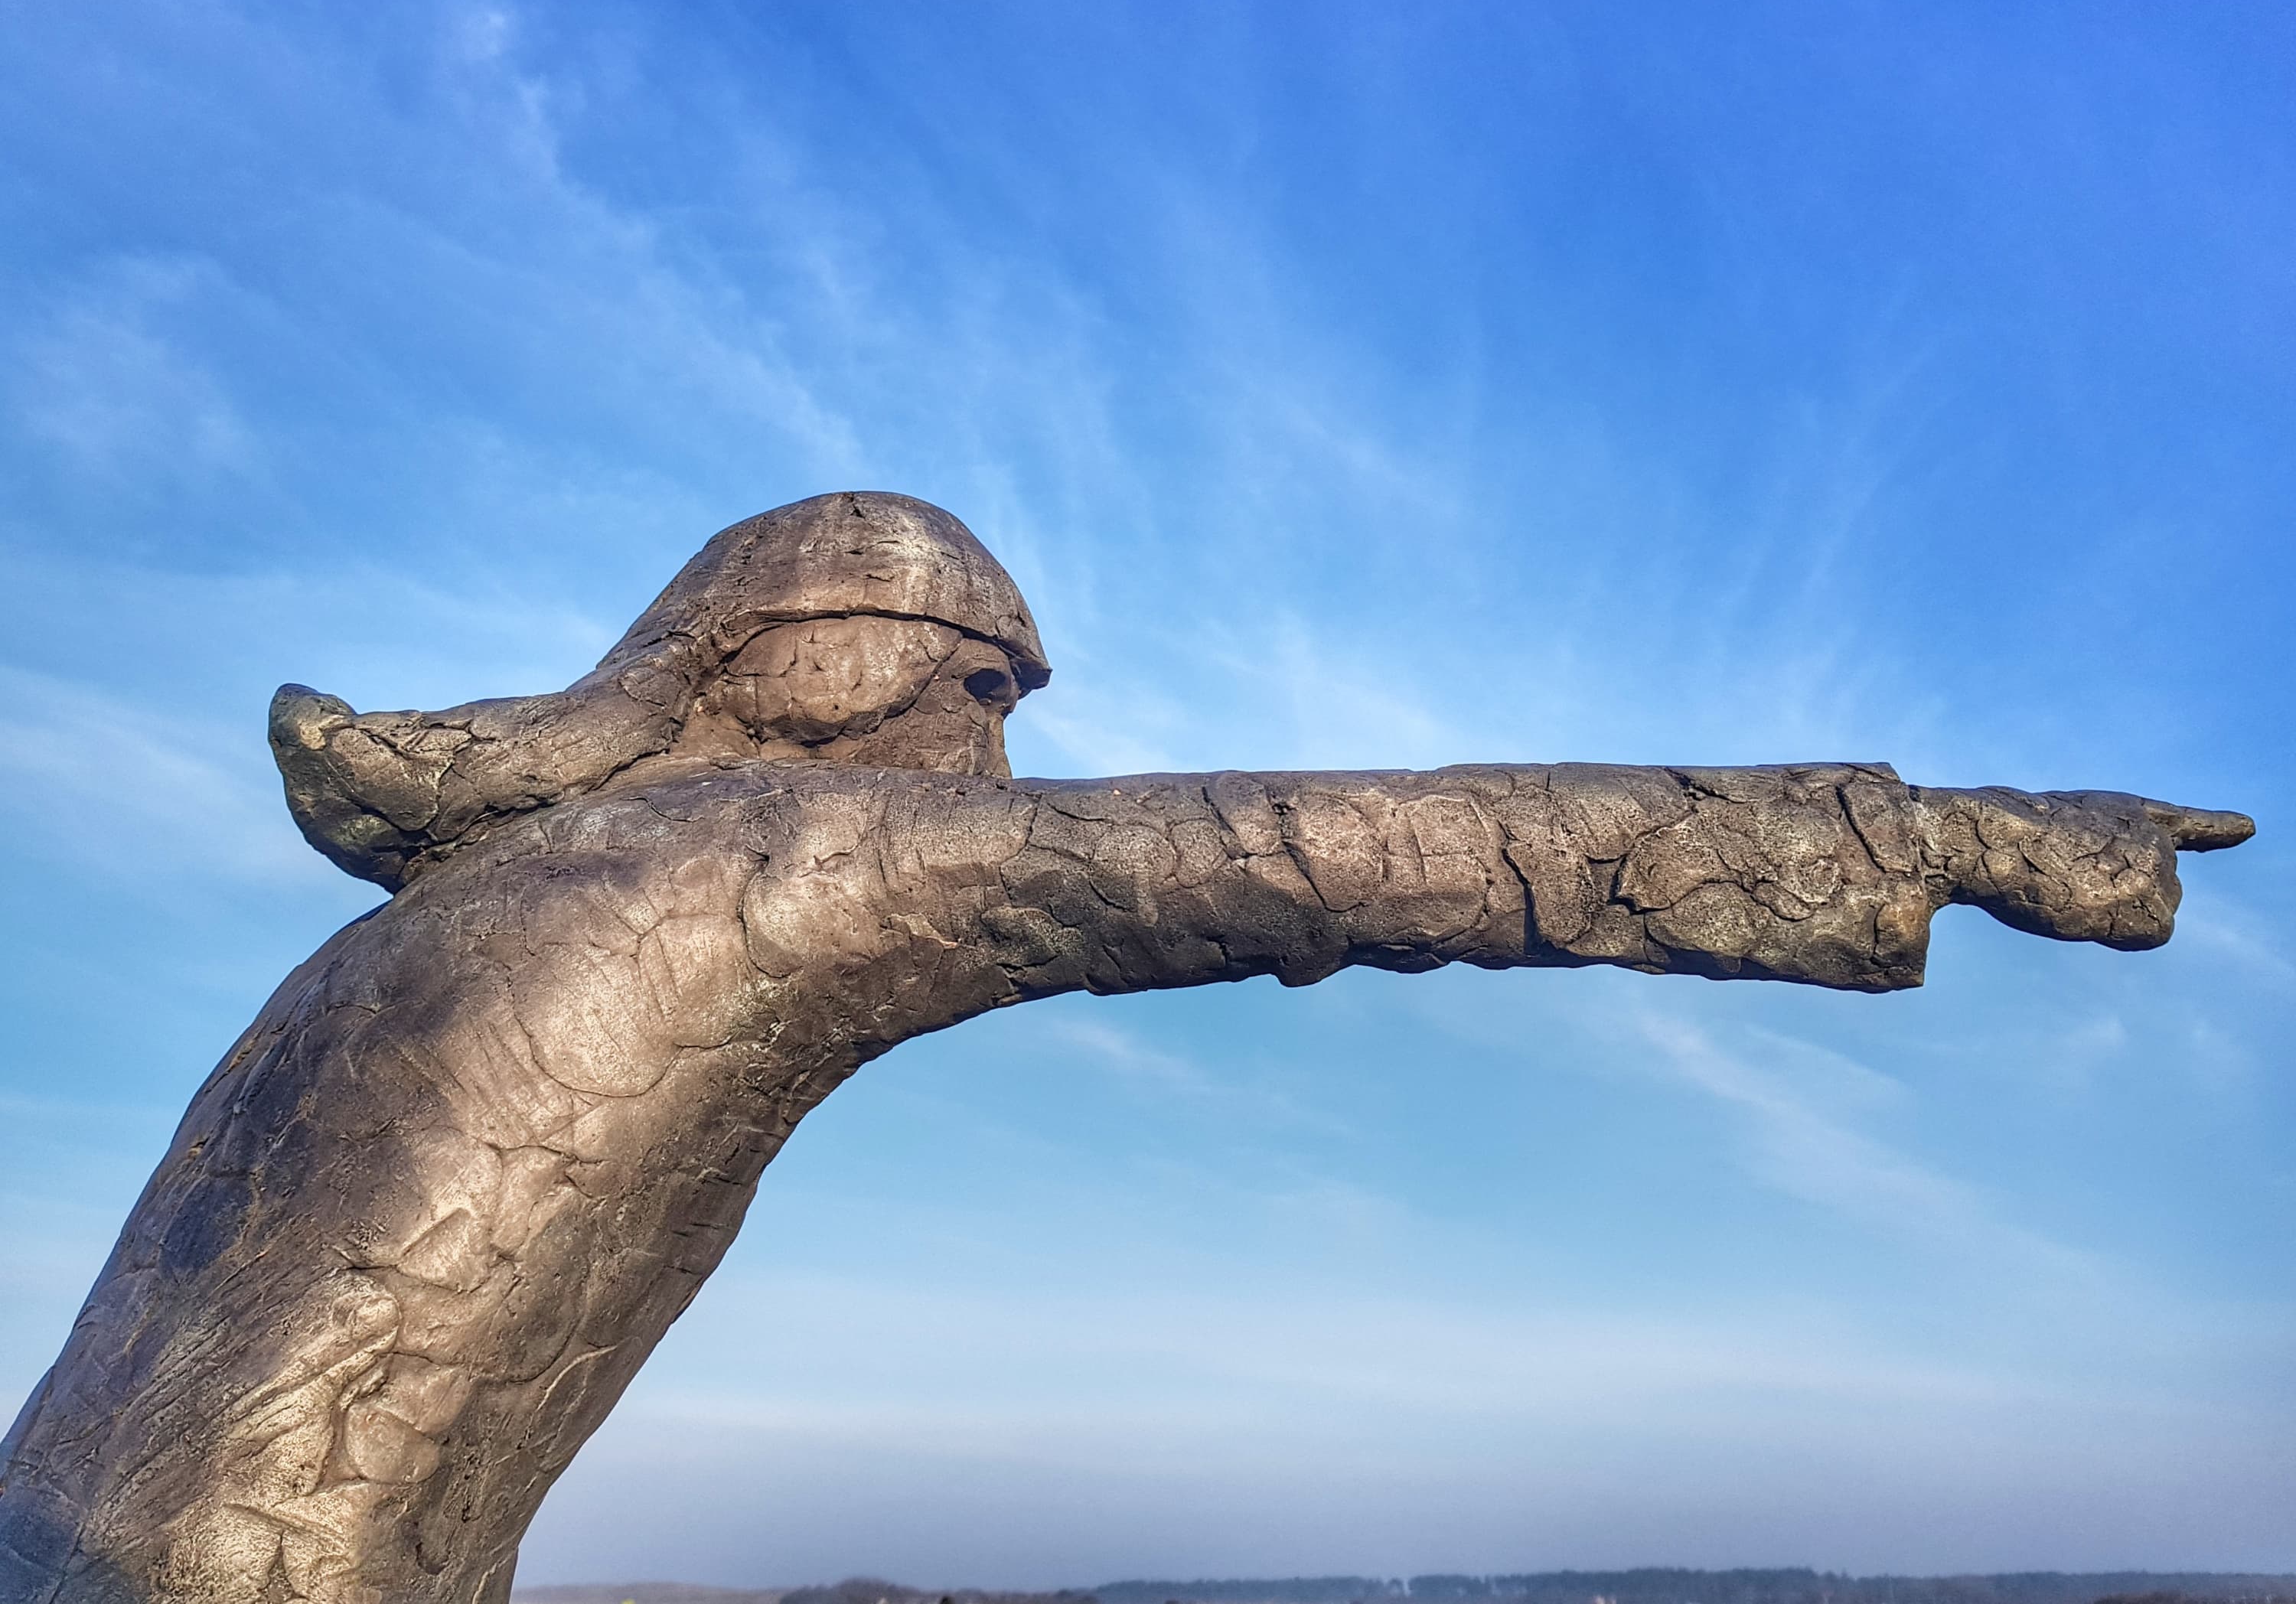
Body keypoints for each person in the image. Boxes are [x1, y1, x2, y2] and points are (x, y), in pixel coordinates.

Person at [0, 492, 2252, 1604]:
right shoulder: (763, 860)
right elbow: (1370, 852)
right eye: (985, 696)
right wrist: (1953, 837)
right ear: (816, 675)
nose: (998, 767)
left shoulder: (438, 915)